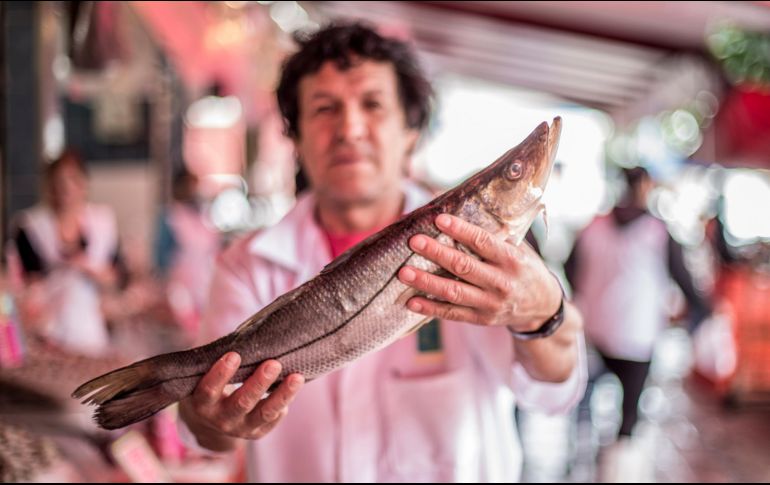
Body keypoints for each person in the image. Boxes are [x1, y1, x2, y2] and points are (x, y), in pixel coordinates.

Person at [179, 22, 587, 482]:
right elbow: (204, 430)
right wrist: (211, 420)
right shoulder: (245, 264)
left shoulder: (496, 252)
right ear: (296, 137)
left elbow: (555, 390)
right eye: (325, 108)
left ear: (411, 130)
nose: (350, 128)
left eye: (372, 104)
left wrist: (545, 314)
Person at [564, 166, 711, 476]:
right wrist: (703, 312)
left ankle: (580, 459)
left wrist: (591, 295)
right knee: (628, 412)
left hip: (594, 330)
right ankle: (616, 468)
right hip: (637, 335)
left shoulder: (593, 226)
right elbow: (684, 280)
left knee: (583, 400)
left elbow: (570, 268)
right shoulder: (658, 231)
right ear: (644, 185)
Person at [5, 148, 125, 356]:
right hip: (48, 328)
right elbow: (29, 283)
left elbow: (117, 276)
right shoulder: (31, 226)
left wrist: (90, 271)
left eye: (72, 180)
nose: (66, 188)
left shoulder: (102, 222)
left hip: (93, 325)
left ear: (84, 183)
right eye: (58, 181)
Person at [153, 170, 221, 343]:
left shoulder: (204, 217)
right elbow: (161, 258)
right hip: (179, 288)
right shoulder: (171, 218)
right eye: (192, 186)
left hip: (205, 285)